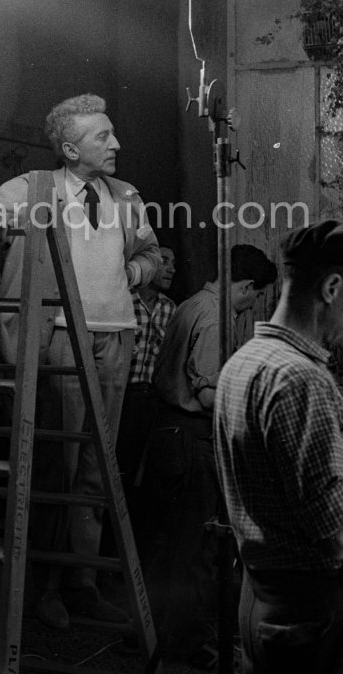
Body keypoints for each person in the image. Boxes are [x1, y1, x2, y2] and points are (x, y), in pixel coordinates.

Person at [0, 93, 161, 630]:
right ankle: (45, 589)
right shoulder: (34, 187)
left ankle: (83, 583)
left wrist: (136, 274)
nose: (116, 143)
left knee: (99, 469)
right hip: (58, 337)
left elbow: (152, 256)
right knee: (58, 466)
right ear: (71, 149)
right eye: (104, 136)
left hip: (114, 338)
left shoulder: (125, 195)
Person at [139, 244, 277, 667]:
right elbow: (208, 392)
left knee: (172, 543)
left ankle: (154, 631)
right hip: (190, 436)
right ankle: (185, 642)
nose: (253, 305)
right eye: (256, 297)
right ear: (246, 287)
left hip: (168, 431)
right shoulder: (216, 316)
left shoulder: (189, 305)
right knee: (195, 546)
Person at [214, 220, 343, 674]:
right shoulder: (303, 379)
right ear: (331, 287)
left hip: (259, 597)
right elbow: (332, 530)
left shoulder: (243, 361)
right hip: (307, 612)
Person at [116, 243, 177, 502]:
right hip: (121, 397)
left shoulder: (170, 309)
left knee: (142, 473)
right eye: (164, 261)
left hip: (152, 401)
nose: (172, 270)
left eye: (174, 264)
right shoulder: (123, 300)